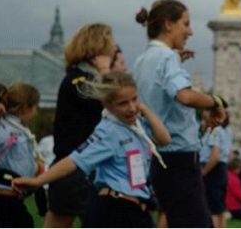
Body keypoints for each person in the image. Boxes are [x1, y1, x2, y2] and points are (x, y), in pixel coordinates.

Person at [13, 71, 171, 227]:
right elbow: (74, 160)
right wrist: (38, 181)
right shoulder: (108, 132)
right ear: (106, 104)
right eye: (123, 103)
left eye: (134, 99)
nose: (131, 108)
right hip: (115, 210)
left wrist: (143, 108)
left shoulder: (137, 127)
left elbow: (164, 139)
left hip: (136, 209)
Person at [133, 0, 226, 227]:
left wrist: (175, 60)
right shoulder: (166, 58)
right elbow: (184, 96)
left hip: (160, 159)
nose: (190, 31)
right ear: (168, 24)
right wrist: (215, 101)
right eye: (185, 24)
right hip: (180, 161)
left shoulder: (141, 60)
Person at [46, 22, 115, 227]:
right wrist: (104, 71)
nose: (113, 50)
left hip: (77, 168)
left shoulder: (79, 78)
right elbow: (113, 102)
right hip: (75, 168)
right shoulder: (80, 81)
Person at [0, 83, 42, 227]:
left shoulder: (20, 130)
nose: (36, 112)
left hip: (13, 199)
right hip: (3, 198)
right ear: (25, 107)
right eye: (35, 107)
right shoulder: (3, 130)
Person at [200, 109, 232, 228]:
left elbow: (215, 155)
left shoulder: (215, 131)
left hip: (212, 170)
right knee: (219, 208)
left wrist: (203, 172)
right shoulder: (222, 131)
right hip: (220, 170)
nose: (204, 119)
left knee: (212, 209)